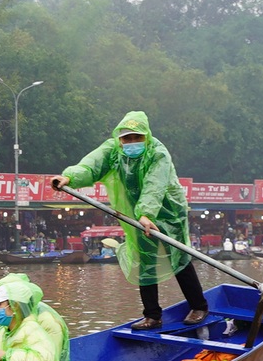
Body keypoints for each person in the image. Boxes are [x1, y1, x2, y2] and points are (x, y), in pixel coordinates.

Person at [51, 111, 207, 330]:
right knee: (145, 259)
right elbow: (91, 165)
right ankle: (152, 315)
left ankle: (199, 306)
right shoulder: (113, 149)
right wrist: (70, 177)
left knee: (178, 255)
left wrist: (147, 213)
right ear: (120, 139)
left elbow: (155, 185)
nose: (132, 142)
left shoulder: (158, 153)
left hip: (168, 210)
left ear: (146, 137)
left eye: (137, 138)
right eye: (127, 138)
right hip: (139, 213)